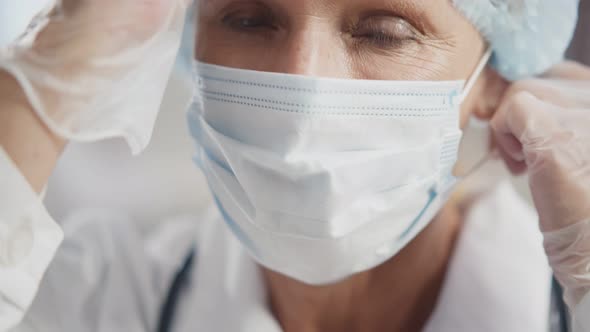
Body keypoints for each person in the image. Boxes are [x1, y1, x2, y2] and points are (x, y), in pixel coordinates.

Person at [1, 0, 589, 331]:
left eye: (385, 33)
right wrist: (40, 88)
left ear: (496, 77)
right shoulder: (97, 300)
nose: (301, 81)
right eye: (250, 18)